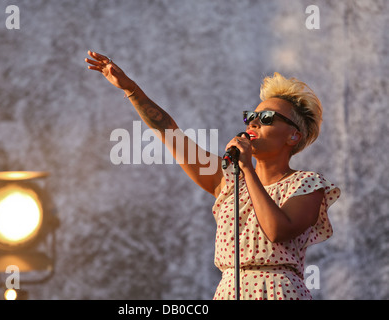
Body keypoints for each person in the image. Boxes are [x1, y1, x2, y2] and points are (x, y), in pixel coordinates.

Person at [85, 51, 340, 300]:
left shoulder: (307, 184)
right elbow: (170, 132)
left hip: (278, 291)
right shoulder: (226, 179)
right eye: (251, 117)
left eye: (266, 117)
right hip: (229, 290)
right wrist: (131, 90)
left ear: (293, 136)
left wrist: (247, 169)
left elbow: (276, 230)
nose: (253, 123)